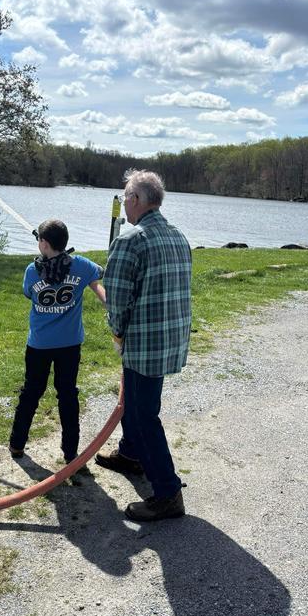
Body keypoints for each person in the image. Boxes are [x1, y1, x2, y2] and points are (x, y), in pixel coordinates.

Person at [97, 170, 192, 522]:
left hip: (144, 342)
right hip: (170, 338)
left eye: (125, 196)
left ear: (136, 200)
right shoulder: (178, 236)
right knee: (138, 403)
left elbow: (117, 300)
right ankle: (131, 454)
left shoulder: (130, 239)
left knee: (141, 413)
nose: (123, 202)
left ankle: (167, 493)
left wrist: (118, 335)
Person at [9, 219, 106, 465]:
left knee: (31, 391)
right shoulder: (82, 266)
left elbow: (28, 292)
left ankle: (17, 445)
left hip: (39, 345)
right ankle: (71, 453)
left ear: (44, 243)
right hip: (69, 346)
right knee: (67, 394)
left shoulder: (32, 271)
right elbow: (98, 281)